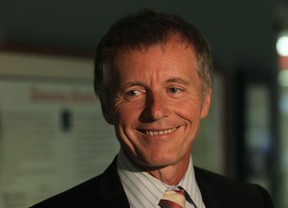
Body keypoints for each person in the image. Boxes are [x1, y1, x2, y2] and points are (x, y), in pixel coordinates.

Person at [31, 9, 274, 208]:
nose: (156, 111)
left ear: (206, 99)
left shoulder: (251, 201)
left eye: (174, 89)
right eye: (134, 92)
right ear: (106, 107)